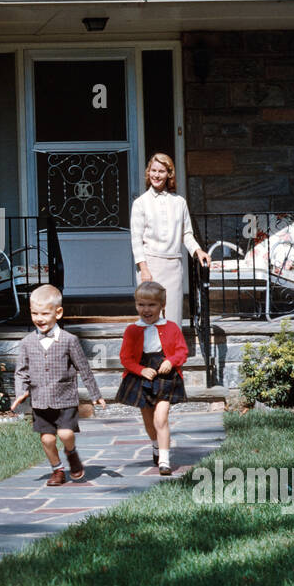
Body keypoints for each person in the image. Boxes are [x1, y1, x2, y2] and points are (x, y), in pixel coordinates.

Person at [10, 284, 106, 486]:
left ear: (58, 313)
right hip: (40, 401)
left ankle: (71, 453)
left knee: (65, 434)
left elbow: (84, 368)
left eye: (45, 313)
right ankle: (57, 470)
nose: (39, 318)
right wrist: (21, 392)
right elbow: (21, 371)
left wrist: (95, 394)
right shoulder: (27, 342)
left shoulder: (69, 340)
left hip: (65, 399)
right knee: (47, 440)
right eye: (35, 313)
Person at [130, 152, 210, 325]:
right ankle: (151, 352)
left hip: (173, 265)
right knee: (150, 316)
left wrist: (198, 251)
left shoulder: (179, 202)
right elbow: (136, 240)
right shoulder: (140, 203)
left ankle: (173, 352)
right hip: (150, 266)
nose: (156, 175)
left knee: (172, 319)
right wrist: (143, 269)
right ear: (148, 172)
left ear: (169, 174)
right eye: (153, 170)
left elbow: (186, 233)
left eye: (161, 171)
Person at [117, 280, 187, 476]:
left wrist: (171, 361)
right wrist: (140, 370)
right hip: (142, 376)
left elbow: (182, 351)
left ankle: (164, 460)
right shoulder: (132, 330)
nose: (146, 310)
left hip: (166, 375)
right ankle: (156, 445)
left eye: (151, 305)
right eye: (141, 305)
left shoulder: (172, 327)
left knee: (161, 418)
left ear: (162, 306)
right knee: (149, 421)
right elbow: (125, 357)